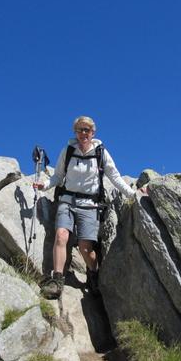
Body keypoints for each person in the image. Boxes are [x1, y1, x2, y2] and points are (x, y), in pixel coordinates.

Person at [33, 116, 143, 298]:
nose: (83, 133)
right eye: (80, 130)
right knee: (61, 236)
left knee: (86, 248)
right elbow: (58, 176)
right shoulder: (68, 150)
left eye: (87, 130)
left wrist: (133, 195)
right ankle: (57, 280)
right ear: (75, 132)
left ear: (93, 132)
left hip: (90, 205)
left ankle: (93, 272)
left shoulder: (100, 153)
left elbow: (115, 177)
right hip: (67, 200)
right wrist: (44, 185)